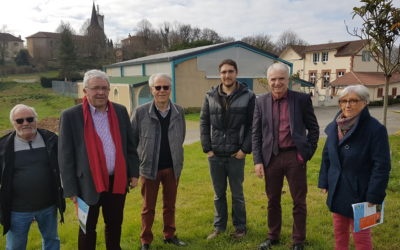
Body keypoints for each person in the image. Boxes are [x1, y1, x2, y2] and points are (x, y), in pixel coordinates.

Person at [58, 69, 139, 250]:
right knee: (87, 229)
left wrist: (134, 173)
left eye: (104, 88)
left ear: (109, 89)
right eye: (95, 88)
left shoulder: (120, 111)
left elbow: (130, 147)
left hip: (116, 181)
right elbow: (65, 157)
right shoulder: (71, 116)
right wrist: (71, 189)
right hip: (86, 184)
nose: (100, 92)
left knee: (114, 224)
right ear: (85, 91)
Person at [252, 62, 319, 250]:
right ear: (268, 81)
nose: (277, 83)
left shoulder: (302, 100)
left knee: (299, 200)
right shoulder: (260, 102)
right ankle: (273, 236)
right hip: (271, 158)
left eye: (281, 78)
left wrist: (305, 154)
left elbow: (313, 129)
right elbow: (256, 133)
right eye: (273, 79)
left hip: (294, 157)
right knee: (272, 199)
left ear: (288, 80)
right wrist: (258, 160)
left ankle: (298, 240)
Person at [318, 84, 391, 250]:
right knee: (339, 231)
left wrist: (375, 195)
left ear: (364, 103)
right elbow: (327, 156)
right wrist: (324, 181)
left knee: (362, 236)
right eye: (343, 101)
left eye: (353, 100)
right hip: (337, 188)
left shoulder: (375, 129)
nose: (347, 105)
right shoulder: (335, 126)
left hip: (362, 193)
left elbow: (382, 166)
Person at [200, 59, 255, 240]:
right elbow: (204, 122)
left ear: (236, 73)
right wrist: (208, 148)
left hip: (236, 154)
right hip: (215, 154)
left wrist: (245, 150)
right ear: (219, 74)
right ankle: (219, 228)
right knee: (218, 194)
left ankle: (240, 228)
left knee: (237, 194)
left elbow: (252, 125)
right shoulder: (210, 96)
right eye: (223, 72)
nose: (227, 75)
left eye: (230, 71)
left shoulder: (248, 96)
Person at [131, 73, 187, 250]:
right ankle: (145, 240)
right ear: (151, 89)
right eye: (158, 87)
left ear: (170, 89)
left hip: (172, 168)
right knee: (148, 207)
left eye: (166, 87)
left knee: (170, 205)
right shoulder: (140, 112)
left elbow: (181, 136)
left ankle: (169, 235)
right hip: (149, 168)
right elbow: (132, 141)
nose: (162, 91)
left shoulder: (179, 111)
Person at [0, 104, 65, 250]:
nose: (25, 123)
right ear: (13, 123)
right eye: (20, 121)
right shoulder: (3, 147)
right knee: (15, 246)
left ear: (36, 119)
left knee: (52, 241)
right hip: (17, 210)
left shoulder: (51, 140)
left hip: (49, 206)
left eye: (30, 119)